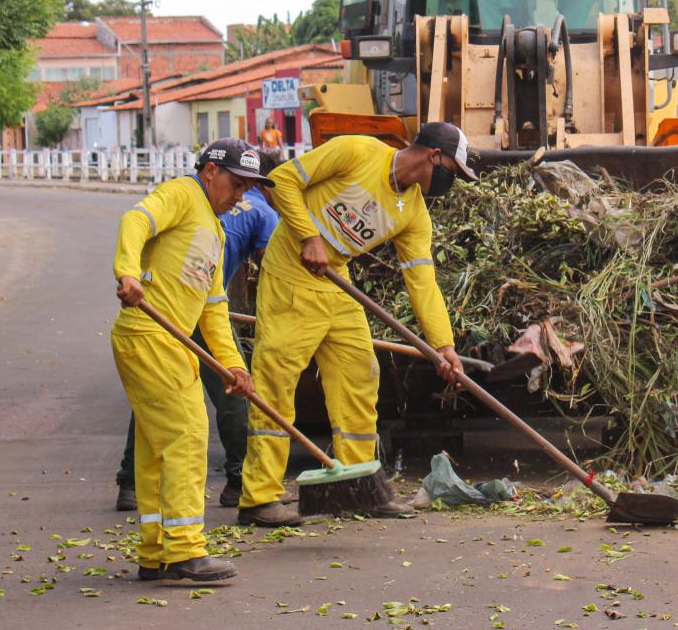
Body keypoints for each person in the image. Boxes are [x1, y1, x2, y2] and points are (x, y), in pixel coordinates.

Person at [236, 123, 473, 526]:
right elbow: (282, 180)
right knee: (276, 381)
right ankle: (260, 498)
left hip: (337, 281)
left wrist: (443, 346)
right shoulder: (357, 152)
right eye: (454, 170)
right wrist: (308, 236)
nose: (453, 181)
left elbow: (422, 280)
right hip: (291, 274)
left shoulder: (413, 212)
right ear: (433, 156)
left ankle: (360, 487)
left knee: (361, 375)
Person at [111, 139, 271, 582]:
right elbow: (135, 219)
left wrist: (233, 365)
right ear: (210, 172)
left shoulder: (216, 232)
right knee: (187, 434)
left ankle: (154, 552)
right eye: (236, 184)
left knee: (155, 448)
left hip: (174, 343)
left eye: (247, 189)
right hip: (149, 336)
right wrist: (127, 271)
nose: (240, 196)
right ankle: (185, 550)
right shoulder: (183, 195)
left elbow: (214, 306)